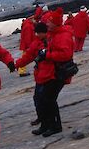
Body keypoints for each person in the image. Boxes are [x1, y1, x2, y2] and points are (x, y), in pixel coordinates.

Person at [14, 8, 75, 137]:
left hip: (56, 74)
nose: (47, 23)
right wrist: (17, 64)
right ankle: (46, 124)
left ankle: (55, 126)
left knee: (48, 100)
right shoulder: (50, 34)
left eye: (49, 22)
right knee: (42, 99)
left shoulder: (62, 36)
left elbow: (66, 54)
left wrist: (47, 55)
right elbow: (32, 52)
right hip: (46, 73)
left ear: (55, 23)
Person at [18, 7, 42, 76]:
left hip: (26, 45)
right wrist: (29, 46)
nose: (35, 20)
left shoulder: (27, 24)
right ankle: (22, 71)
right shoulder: (28, 26)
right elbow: (27, 37)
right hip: (27, 45)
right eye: (33, 18)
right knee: (25, 58)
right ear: (30, 18)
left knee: (26, 57)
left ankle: (22, 70)